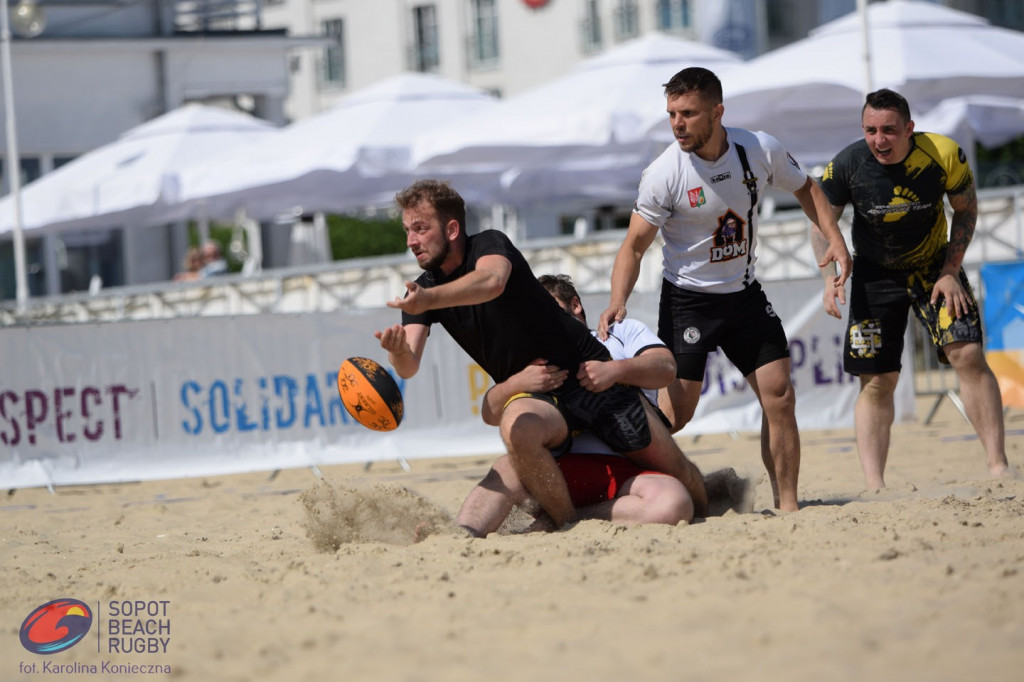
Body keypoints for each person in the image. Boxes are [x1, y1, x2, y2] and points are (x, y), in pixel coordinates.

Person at [374, 179, 707, 530]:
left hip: (589, 376)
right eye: (408, 230)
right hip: (542, 392)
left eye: (421, 229)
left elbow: (492, 282)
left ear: (452, 228)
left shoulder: (488, 244)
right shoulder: (423, 291)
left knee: (681, 473)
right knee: (516, 426)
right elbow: (408, 365)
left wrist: (430, 299)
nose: (411, 241)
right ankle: (564, 524)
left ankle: (712, 511)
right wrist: (397, 353)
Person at [597, 67, 853, 513]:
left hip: (744, 294)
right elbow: (633, 246)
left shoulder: (756, 149)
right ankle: (604, 471)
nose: (678, 123)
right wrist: (618, 300)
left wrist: (835, 238)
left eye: (689, 114)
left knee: (780, 395)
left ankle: (787, 506)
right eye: (672, 114)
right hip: (688, 301)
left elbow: (807, 187)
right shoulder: (664, 173)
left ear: (717, 112)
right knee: (675, 416)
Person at [813, 88, 1011, 489]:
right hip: (874, 274)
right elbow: (821, 224)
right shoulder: (848, 164)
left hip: (933, 268)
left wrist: (951, 270)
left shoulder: (942, 154)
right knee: (876, 380)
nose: (879, 140)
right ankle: (875, 485)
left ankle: (998, 467)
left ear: (909, 129)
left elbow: (966, 210)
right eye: (870, 130)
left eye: (889, 130)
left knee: (968, 354)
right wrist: (829, 279)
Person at [455, 274, 694, 537]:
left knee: (674, 503)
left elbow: (666, 368)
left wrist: (614, 370)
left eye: (552, 311)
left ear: (576, 305)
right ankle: (458, 535)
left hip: (625, 470)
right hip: (553, 471)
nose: (548, 323)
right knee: (507, 467)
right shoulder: (534, 358)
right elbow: (490, 414)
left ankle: (559, 520)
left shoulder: (618, 333)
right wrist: (515, 383)